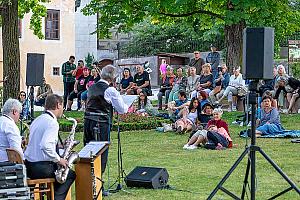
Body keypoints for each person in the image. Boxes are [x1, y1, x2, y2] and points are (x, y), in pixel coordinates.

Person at [24, 94, 75, 200]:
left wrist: (59, 145)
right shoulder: (52, 123)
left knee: (61, 173)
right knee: (69, 175)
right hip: (41, 168)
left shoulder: (37, 120)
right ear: (58, 105)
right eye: (62, 106)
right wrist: (59, 159)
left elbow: (38, 143)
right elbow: (45, 145)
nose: (63, 109)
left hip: (29, 165)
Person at [84, 65, 128, 174]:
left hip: (88, 122)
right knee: (101, 153)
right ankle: (98, 185)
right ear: (112, 78)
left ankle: (89, 180)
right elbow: (122, 109)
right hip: (101, 123)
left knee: (88, 150)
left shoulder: (92, 87)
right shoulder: (110, 90)